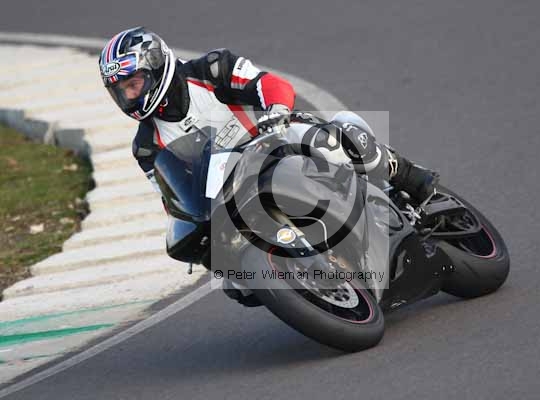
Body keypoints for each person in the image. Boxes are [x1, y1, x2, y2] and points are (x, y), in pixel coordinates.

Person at [99, 27, 439, 305]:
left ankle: (406, 174)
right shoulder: (146, 146)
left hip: (277, 142)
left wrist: (276, 111)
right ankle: (313, 281)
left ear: (156, 67)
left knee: (339, 139)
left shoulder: (210, 69)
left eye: (133, 84)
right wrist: (192, 231)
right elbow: (172, 196)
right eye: (121, 91)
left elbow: (269, 84)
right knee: (236, 283)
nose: (129, 97)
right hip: (233, 190)